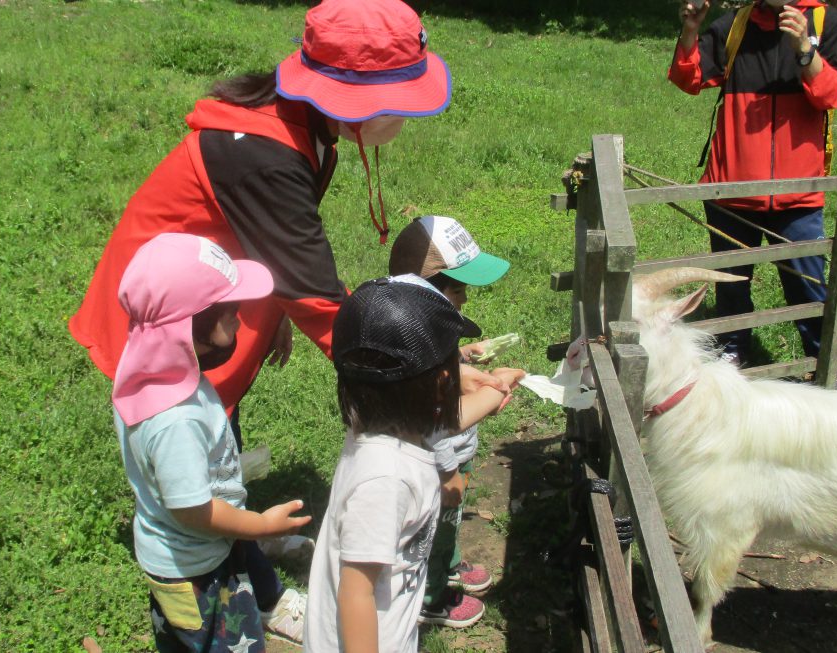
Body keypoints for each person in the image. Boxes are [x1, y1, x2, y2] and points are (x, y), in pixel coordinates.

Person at [69, 0, 476, 640]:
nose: (401, 115)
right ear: (346, 91)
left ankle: (242, 542)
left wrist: (278, 305)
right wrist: (410, 363)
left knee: (215, 436)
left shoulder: (306, 127)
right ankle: (245, 576)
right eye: (394, 98)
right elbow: (317, 295)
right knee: (196, 443)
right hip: (173, 312)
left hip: (221, 294)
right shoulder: (266, 152)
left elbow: (285, 255)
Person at [112, 233, 312, 652]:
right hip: (198, 573)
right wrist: (260, 526)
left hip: (183, 559)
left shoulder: (147, 372)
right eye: (231, 312)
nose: (240, 321)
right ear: (188, 325)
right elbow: (193, 510)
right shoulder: (175, 419)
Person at [304, 275, 518, 652]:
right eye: (456, 358)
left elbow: (445, 420)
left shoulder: (376, 420)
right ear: (442, 383)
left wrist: (493, 390)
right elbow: (356, 594)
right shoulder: (386, 480)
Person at [668, 0, 837, 367]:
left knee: (807, 287)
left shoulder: (827, 23)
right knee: (731, 285)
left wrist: (804, 49)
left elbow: (832, 95)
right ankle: (731, 354)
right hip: (730, 192)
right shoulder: (733, 26)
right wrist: (690, 31)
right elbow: (687, 78)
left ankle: (823, 365)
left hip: (796, 196)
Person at [388, 215, 523, 628]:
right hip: (437, 461)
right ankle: (431, 597)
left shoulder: (426, 330)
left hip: (453, 454)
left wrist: (464, 358)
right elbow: (432, 422)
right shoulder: (417, 343)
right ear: (429, 290)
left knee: (447, 523)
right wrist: (448, 471)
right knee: (433, 523)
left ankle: (448, 562)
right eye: (459, 288)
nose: (465, 299)